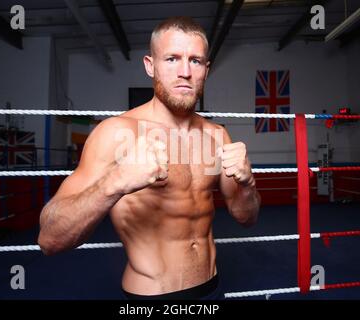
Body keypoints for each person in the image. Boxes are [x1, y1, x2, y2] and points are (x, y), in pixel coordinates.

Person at [38, 16, 261, 300]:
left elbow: (246, 218)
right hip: (151, 296)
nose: (184, 71)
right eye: (171, 59)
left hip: (211, 287)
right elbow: (50, 239)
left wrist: (248, 183)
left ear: (206, 69)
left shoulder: (217, 135)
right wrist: (116, 182)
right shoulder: (116, 133)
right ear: (150, 65)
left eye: (195, 61)